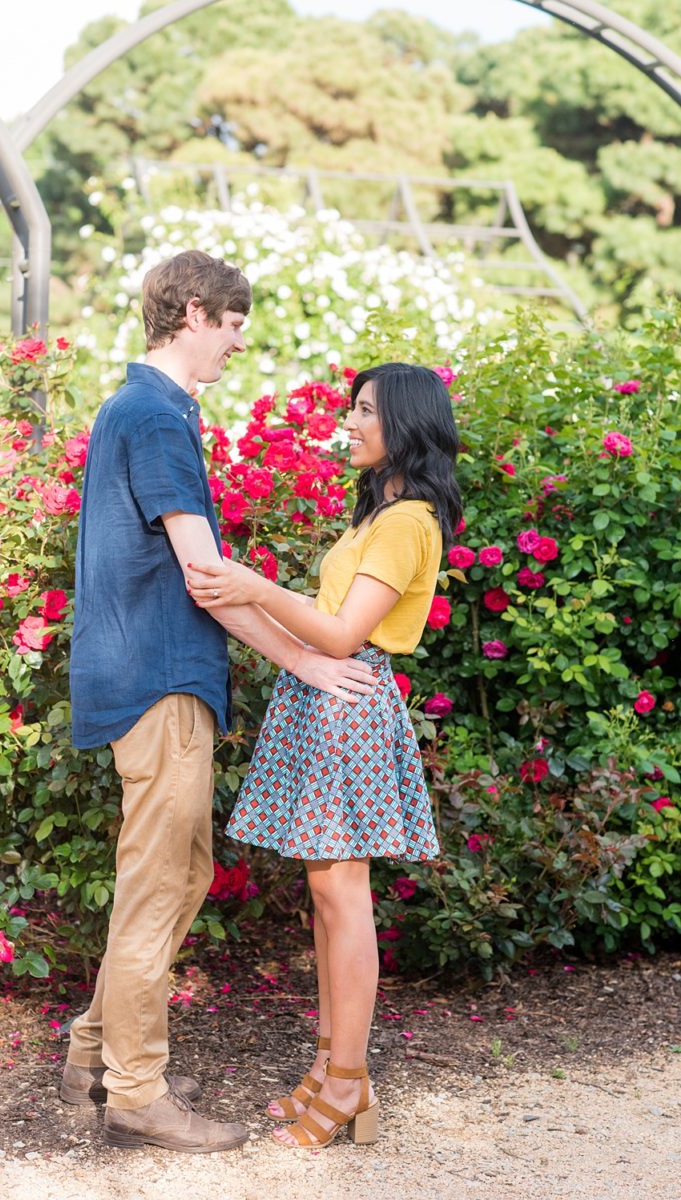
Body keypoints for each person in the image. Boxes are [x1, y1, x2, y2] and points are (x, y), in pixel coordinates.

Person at [63, 249, 377, 1155]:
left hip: (160, 680)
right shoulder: (155, 413)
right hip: (159, 681)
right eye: (234, 326)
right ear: (194, 313)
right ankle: (135, 1092)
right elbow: (207, 575)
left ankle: (94, 1055)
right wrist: (305, 662)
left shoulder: (144, 410)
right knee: (160, 887)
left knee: (178, 875)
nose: (238, 343)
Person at [186, 362, 462, 1150]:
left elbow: (341, 635)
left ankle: (346, 1080)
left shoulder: (408, 520)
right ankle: (335, 1068)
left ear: (404, 423)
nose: (350, 421)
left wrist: (250, 585)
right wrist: (259, 597)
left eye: (365, 411)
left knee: (342, 898)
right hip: (326, 704)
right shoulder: (376, 514)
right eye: (350, 407)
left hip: (348, 702)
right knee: (327, 895)